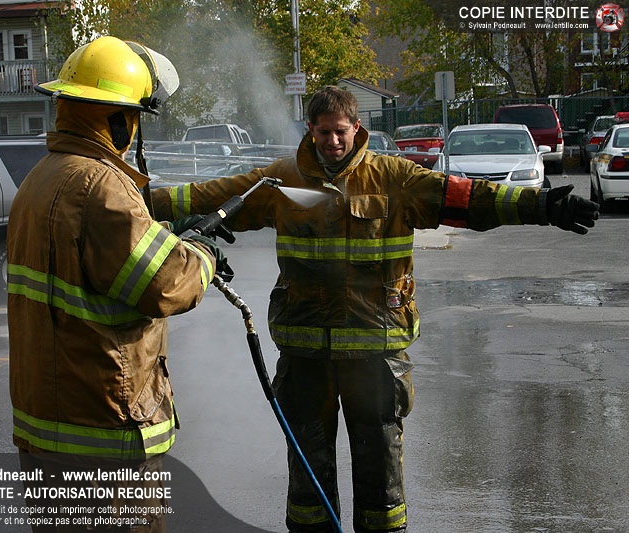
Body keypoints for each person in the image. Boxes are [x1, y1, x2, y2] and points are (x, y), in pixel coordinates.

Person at [151, 85, 598, 532]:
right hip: (306, 353)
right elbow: (208, 195)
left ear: (357, 127)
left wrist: (543, 205)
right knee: (307, 471)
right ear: (310, 129)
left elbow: (466, 198)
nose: (333, 141)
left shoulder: (394, 177)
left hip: (376, 352)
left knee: (380, 469)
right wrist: (137, 201)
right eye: (323, 132)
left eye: (340, 131)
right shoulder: (282, 180)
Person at [6, 36, 228, 532]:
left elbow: (100, 263)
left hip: (46, 430)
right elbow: (166, 283)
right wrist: (203, 255)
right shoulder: (100, 185)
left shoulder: (40, 179)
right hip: (104, 434)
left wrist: (165, 236)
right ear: (119, 119)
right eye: (134, 117)